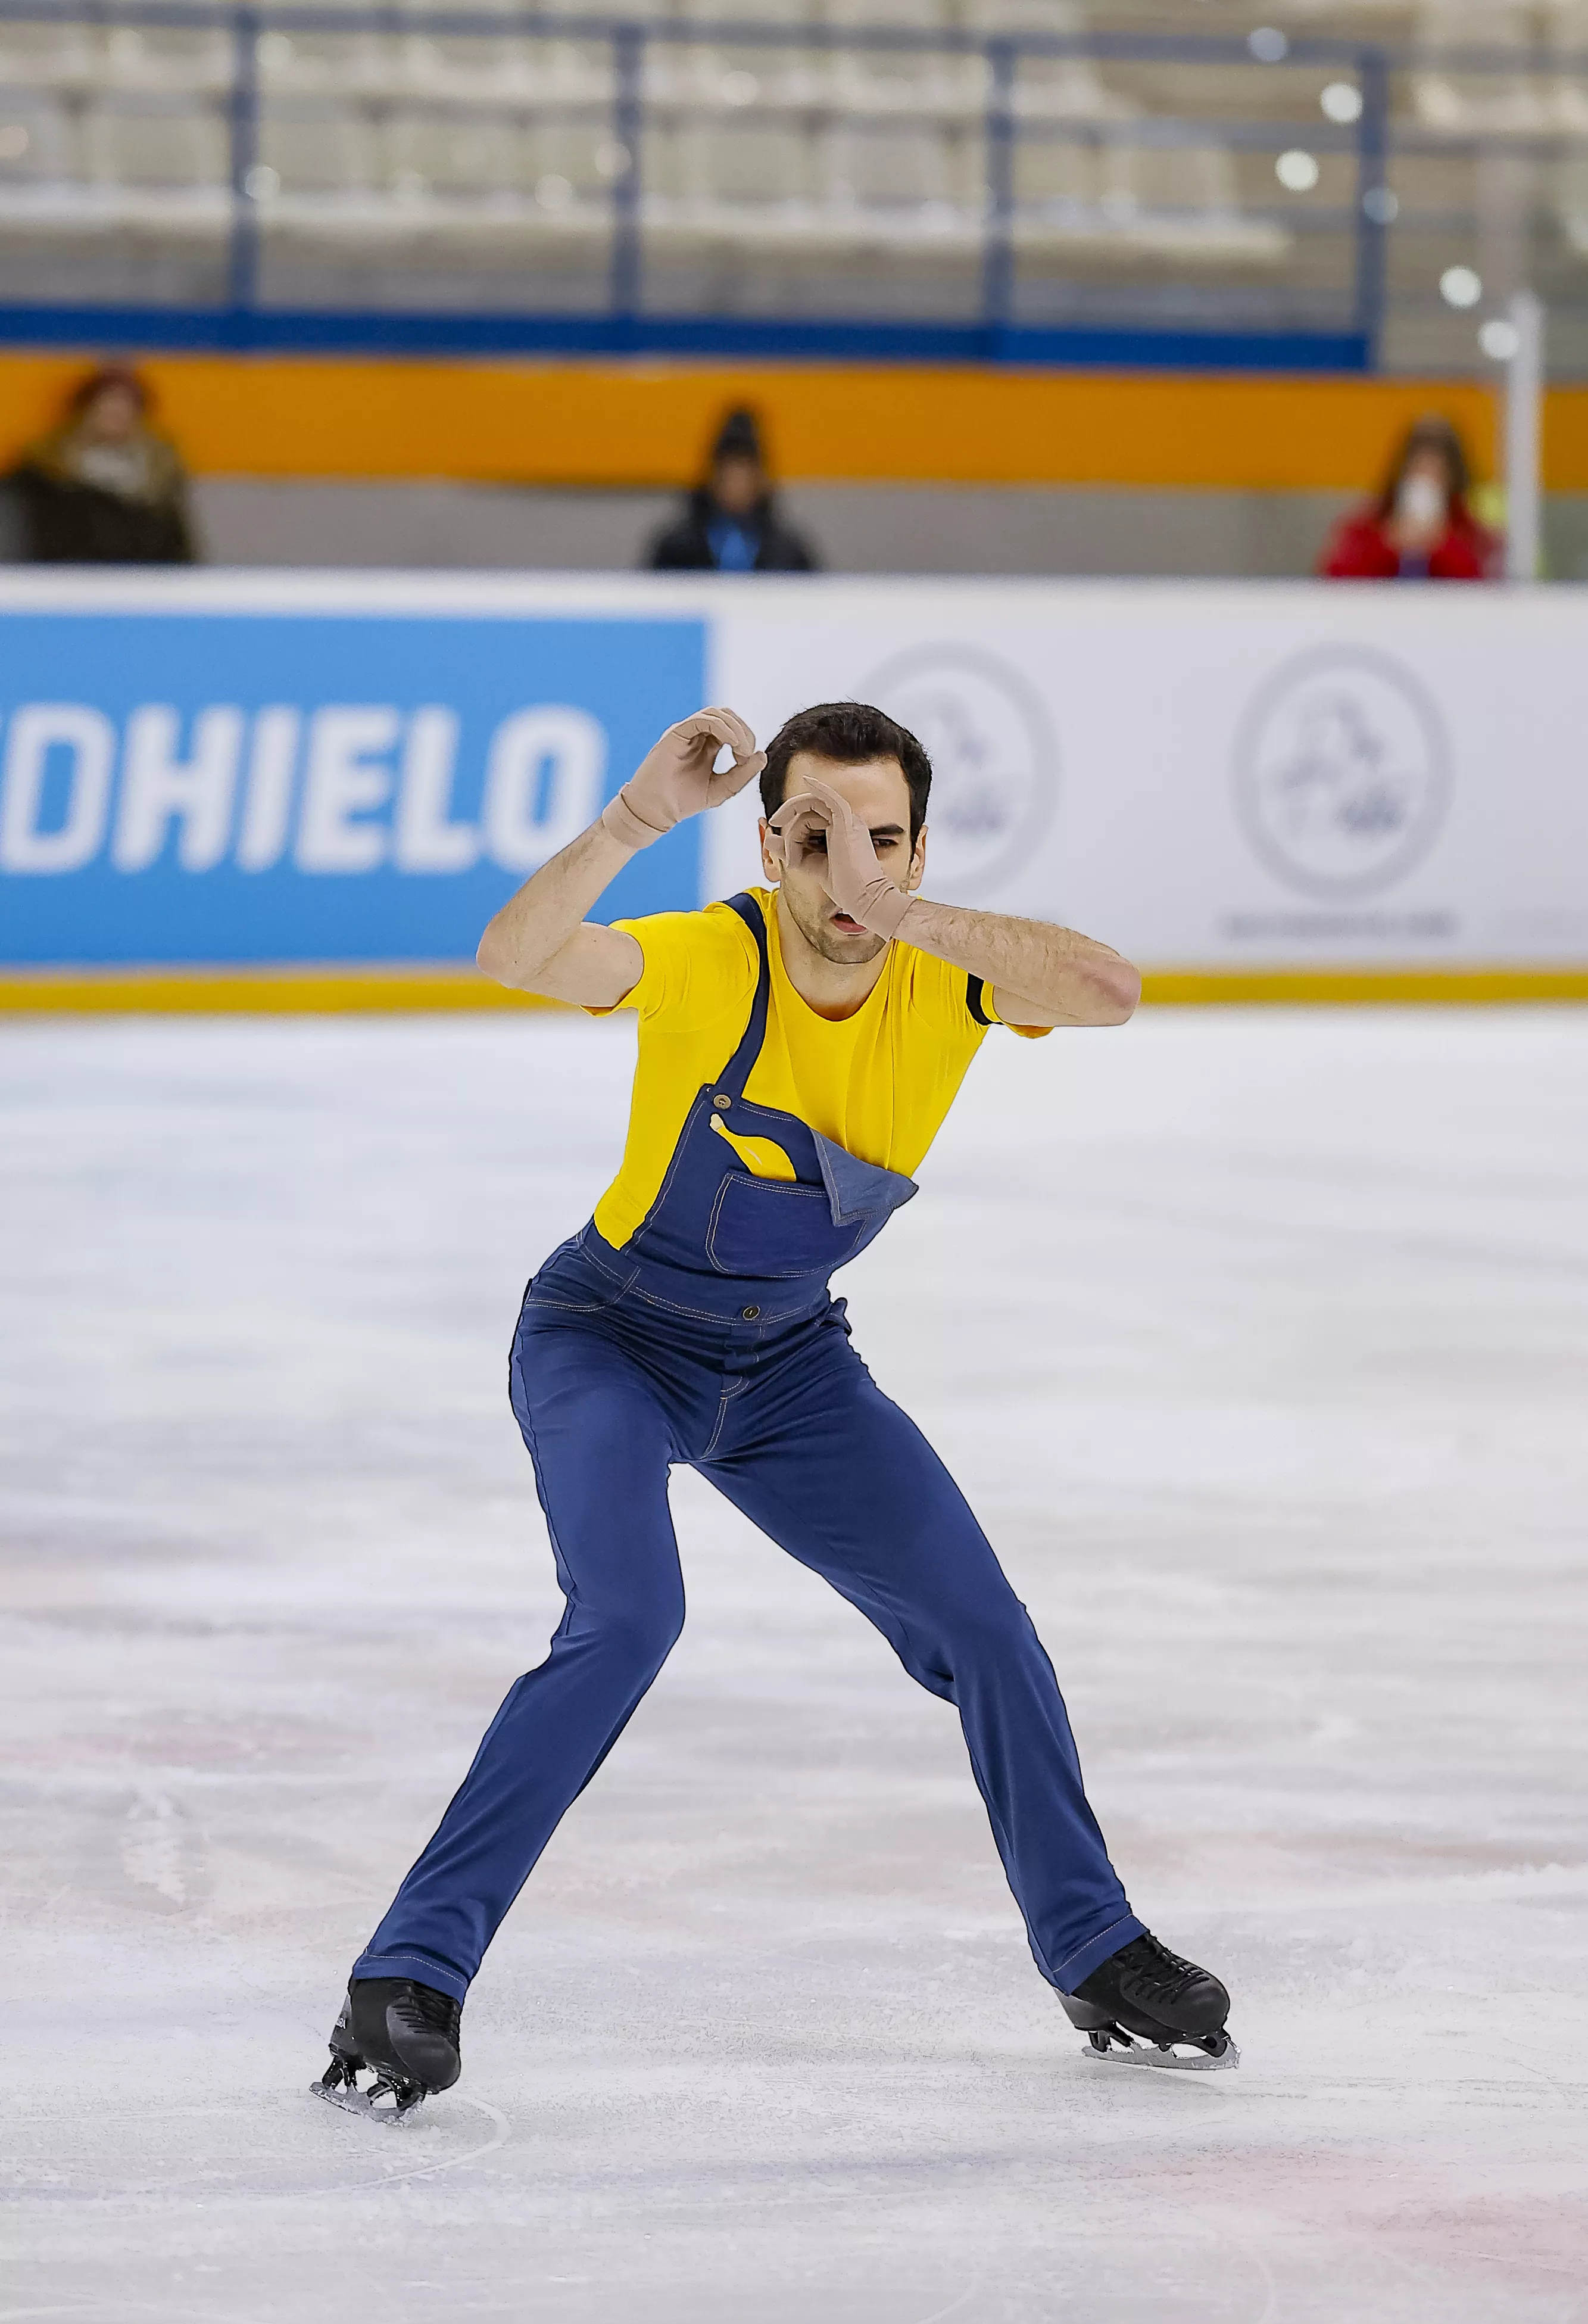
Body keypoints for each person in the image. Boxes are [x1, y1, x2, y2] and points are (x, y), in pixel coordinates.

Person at [314, 700, 1238, 2120]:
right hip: (609, 1341)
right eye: (816, 841)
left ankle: (1094, 1944)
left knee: (984, 1626)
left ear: (921, 851)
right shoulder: (714, 953)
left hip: (793, 1368)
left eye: (880, 841)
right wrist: (633, 823)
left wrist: (906, 911)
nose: (845, 876)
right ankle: (409, 1970)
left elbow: (1109, 987)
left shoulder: (948, 974)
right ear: (769, 844)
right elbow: (512, 956)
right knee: (627, 1618)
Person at [9, 365, 196, 565]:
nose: (116, 413)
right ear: (84, 411)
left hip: (147, 587)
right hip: (63, 584)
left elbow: (179, 549)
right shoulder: (46, 474)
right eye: (106, 404)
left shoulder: (160, 478)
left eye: (127, 406)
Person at [1318, 414, 1498, 581]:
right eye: (1417, 471)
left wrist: (1441, 545)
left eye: (1437, 475)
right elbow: (1335, 579)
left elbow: (1483, 589)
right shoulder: (1368, 524)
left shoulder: (1471, 533)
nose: (1426, 482)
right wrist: (1388, 544)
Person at [647, 408, 818, 574]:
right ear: (712, 477)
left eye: (745, 474)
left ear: (761, 480)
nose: (736, 485)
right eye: (728, 472)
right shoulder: (676, 549)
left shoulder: (789, 551)